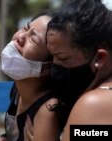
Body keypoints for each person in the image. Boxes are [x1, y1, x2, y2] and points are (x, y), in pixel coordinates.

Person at [46, 0, 112, 140]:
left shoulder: (93, 104)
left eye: (63, 59)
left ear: (99, 58)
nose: (54, 67)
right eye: (51, 57)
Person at [0, 11, 61, 141]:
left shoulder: (48, 110)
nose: (20, 37)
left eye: (33, 39)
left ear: (47, 67)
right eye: (25, 28)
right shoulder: (17, 90)